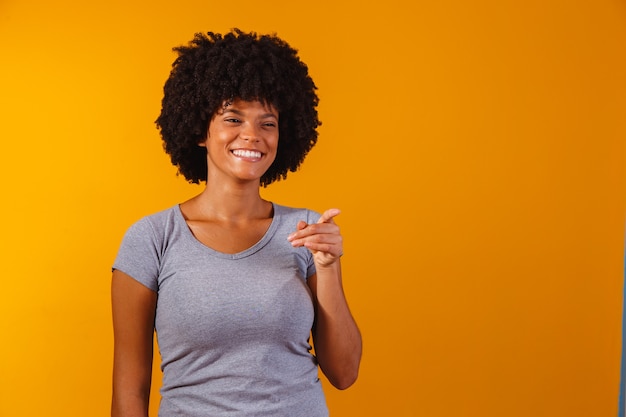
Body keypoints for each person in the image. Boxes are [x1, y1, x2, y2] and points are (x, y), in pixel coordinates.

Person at [111, 29, 362, 417]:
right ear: (200, 130)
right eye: (233, 118)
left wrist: (327, 268)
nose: (252, 135)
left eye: (268, 123)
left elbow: (344, 373)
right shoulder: (152, 239)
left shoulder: (307, 232)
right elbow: (130, 388)